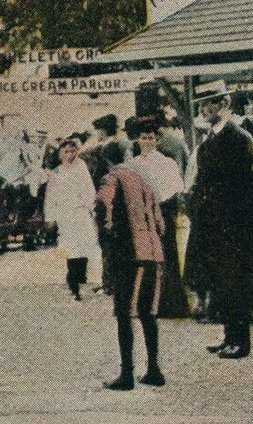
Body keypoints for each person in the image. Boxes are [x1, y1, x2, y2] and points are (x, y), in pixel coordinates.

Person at [184, 81, 253, 359]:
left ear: (225, 104)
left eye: (211, 103)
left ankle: (241, 341)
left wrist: (243, 223)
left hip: (233, 225)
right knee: (222, 282)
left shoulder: (237, 137)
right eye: (202, 105)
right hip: (214, 224)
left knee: (235, 282)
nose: (205, 109)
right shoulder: (212, 138)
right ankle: (230, 336)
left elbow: (251, 183)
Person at [96, 153, 167, 390]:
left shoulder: (112, 178)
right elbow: (160, 222)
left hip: (129, 252)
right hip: (154, 251)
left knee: (124, 313)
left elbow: (102, 206)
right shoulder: (145, 178)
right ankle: (154, 369)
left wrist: (107, 241)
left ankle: (127, 374)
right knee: (148, 312)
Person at [126, 116, 189, 318]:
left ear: (157, 140)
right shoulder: (132, 164)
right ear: (138, 140)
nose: (147, 142)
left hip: (162, 213)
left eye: (151, 138)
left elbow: (175, 188)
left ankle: (170, 305)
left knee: (166, 256)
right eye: (143, 138)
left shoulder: (166, 163)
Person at [43, 137, 98, 301]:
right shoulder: (56, 172)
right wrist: (50, 216)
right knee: (71, 247)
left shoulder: (81, 168)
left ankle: (80, 276)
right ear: (60, 154)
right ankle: (73, 282)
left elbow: (89, 191)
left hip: (81, 213)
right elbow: (51, 196)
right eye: (65, 151)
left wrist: (92, 210)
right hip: (65, 214)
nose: (69, 155)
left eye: (72, 151)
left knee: (84, 245)